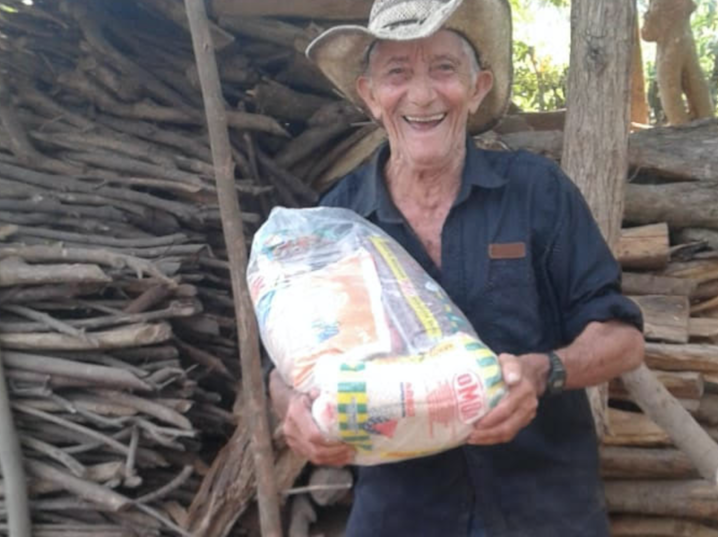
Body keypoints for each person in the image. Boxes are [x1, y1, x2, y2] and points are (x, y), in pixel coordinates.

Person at [267, 0, 646, 535]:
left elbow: (623, 339)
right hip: (402, 513)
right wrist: (293, 410)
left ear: (478, 86)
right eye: (397, 73)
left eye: (443, 68)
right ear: (371, 96)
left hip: (542, 508)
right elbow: (289, 369)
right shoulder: (340, 221)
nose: (421, 95)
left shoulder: (537, 192)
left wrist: (543, 373)